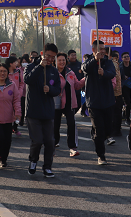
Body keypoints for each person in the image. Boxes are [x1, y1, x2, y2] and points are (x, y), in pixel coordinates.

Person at [23, 43, 61, 177]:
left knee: (50, 141)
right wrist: (40, 67)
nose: (50, 59)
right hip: (33, 111)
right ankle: (33, 161)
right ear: (42, 54)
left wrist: (50, 89)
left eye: (53, 57)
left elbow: (58, 89)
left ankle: (47, 167)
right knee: (37, 141)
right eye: (48, 56)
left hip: (48, 111)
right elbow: (27, 79)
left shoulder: (54, 71)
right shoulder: (31, 66)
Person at [82, 40, 116, 165]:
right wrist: (95, 60)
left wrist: (104, 73)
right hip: (94, 102)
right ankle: (101, 155)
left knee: (108, 129)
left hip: (108, 101)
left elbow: (112, 73)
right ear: (94, 50)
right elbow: (85, 68)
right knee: (99, 131)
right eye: (100, 49)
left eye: (103, 49)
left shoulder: (108, 62)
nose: (102, 51)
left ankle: (97, 134)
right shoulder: (88, 61)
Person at [54, 52, 85, 157]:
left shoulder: (70, 72)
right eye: (59, 60)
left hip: (69, 103)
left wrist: (85, 78)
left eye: (63, 60)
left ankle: (73, 148)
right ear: (55, 61)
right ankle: (52, 145)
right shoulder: (52, 73)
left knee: (71, 124)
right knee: (55, 126)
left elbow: (77, 85)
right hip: (56, 103)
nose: (62, 62)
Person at [5, 56, 23, 137]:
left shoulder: (18, 71)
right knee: (8, 112)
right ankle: (9, 127)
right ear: (10, 64)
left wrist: (19, 92)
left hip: (17, 96)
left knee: (17, 111)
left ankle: (15, 128)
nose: (17, 64)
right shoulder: (5, 72)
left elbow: (21, 83)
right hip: (7, 96)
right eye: (15, 62)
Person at [110, 50, 124, 138]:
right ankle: (117, 130)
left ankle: (114, 130)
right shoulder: (117, 64)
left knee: (113, 113)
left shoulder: (112, 64)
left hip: (113, 92)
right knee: (118, 112)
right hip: (118, 91)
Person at [67, 49, 83, 115]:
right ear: (68, 56)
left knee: (78, 104)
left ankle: (72, 114)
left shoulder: (80, 64)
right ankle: (70, 115)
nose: (74, 57)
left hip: (78, 87)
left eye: (75, 55)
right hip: (68, 89)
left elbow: (83, 76)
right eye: (72, 55)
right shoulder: (66, 65)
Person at [120, 52, 131, 126]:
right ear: (122, 59)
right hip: (124, 86)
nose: (127, 58)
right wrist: (123, 76)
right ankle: (127, 118)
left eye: (127, 56)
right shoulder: (120, 66)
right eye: (125, 57)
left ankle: (125, 114)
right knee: (128, 103)